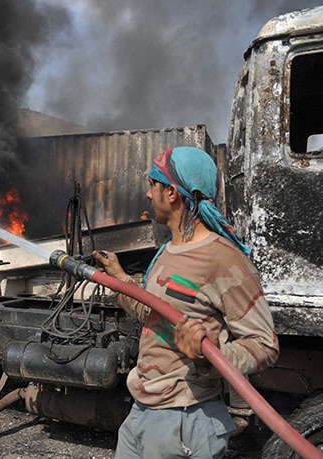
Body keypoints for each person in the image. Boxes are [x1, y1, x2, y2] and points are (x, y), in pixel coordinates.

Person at [92, 147, 279, 459]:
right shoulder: (168, 250)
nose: (148, 195)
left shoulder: (224, 259)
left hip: (186, 419)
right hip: (142, 411)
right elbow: (154, 314)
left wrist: (209, 354)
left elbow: (264, 344)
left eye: (153, 185)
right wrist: (120, 280)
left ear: (171, 192)